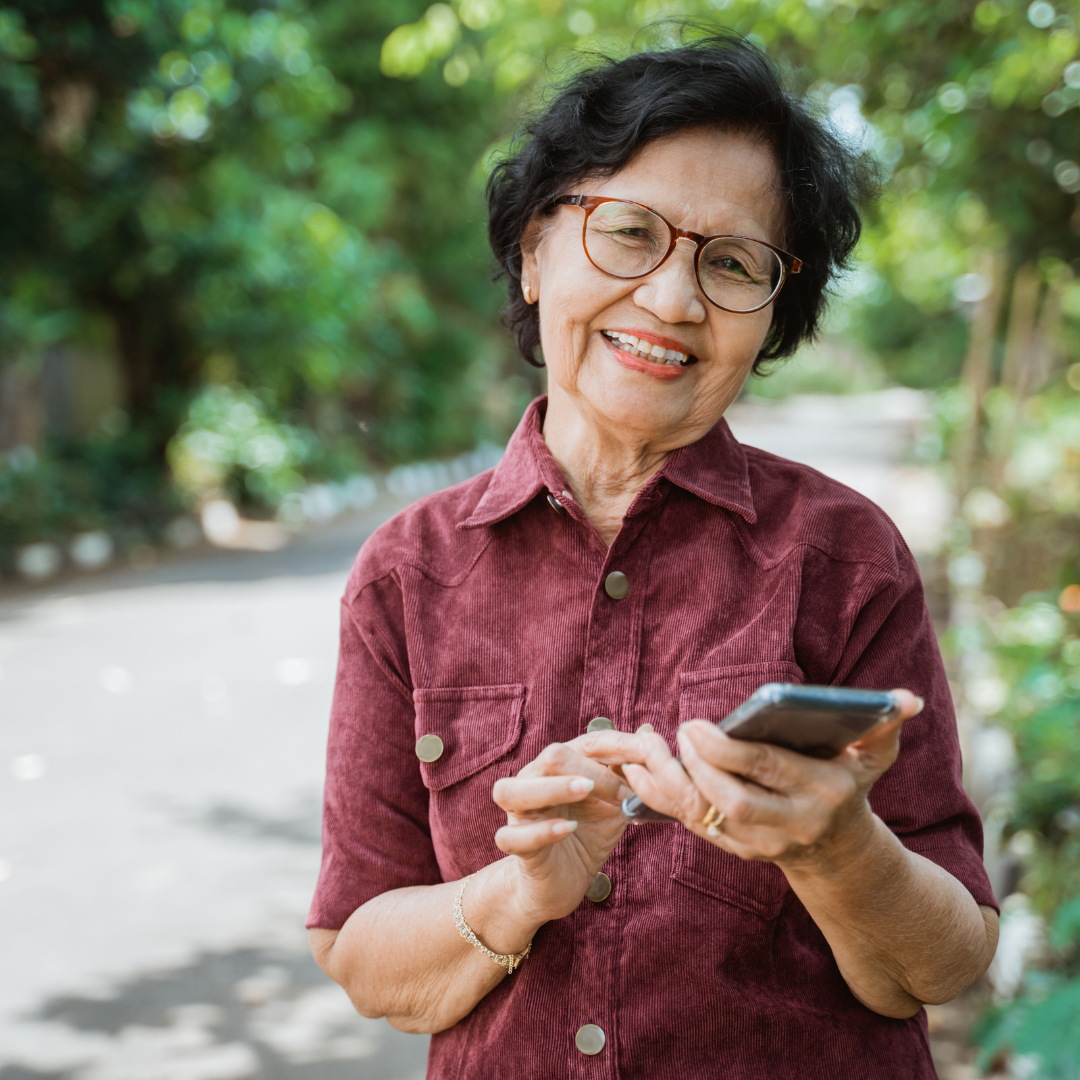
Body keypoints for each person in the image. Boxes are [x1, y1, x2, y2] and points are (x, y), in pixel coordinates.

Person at [307, 35, 999, 1079]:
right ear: (536, 253)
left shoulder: (846, 554)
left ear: (773, 316)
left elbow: (944, 965)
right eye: (628, 233)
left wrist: (834, 847)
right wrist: (519, 891)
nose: (674, 302)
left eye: (731, 264)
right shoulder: (408, 573)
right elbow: (360, 957)